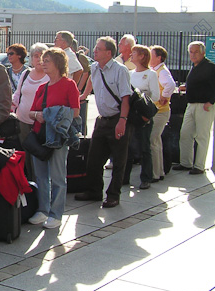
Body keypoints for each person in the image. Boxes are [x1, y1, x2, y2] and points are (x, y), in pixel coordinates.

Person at [75, 36, 133, 208]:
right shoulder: (94, 67)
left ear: (109, 52)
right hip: (102, 120)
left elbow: (125, 97)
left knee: (118, 161)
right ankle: (94, 191)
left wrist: (122, 121)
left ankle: (113, 195)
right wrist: (84, 95)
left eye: (98, 49)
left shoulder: (120, 70)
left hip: (117, 118)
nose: (95, 50)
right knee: (94, 159)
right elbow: (92, 81)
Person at [26, 48, 80, 229]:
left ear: (58, 63)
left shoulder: (69, 84)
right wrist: (38, 115)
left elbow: (75, 111)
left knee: (57, 177)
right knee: (41, 176)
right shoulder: (42, 88)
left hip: (58, 137)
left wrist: (50, 114)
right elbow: (31, 112)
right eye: (43, 60)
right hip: (40, 135)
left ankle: (56, 214)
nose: (43, 63)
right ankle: (43, 210)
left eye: (47, 60)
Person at [173, 41, 215, 174]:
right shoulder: (194, 67)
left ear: (203, 52)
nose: (193, 54)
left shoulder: (210, 67)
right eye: (191, 52)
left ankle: (199, 166)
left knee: (202, 136)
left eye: (196, 52)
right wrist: (186, 87)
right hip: (191, 104)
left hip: (204, 106)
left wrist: (211, 102)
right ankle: (186, 163)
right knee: (185, 134)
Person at [123, 44, 160, 190]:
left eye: (134, 53)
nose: (131, 55)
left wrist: (142, 94)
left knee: (144, 147)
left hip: (143, 114)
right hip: (131, 114)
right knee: (128, 148)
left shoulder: (150, 74)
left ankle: (146, 178)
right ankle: (125, 177)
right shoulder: (130, 73)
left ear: (142, 56)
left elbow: (156, 95)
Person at [12, 42, 49, 177]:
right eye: (35, 56)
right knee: (26, 155)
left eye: (42, 56)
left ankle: (40, 186)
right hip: (23, 121)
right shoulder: (26, 73)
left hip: (41, 124)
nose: (39, 59)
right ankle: (30, 186)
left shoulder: (50, 75)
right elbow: (17, 94)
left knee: (38, 156)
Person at [149, 45, 175, 182]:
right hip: (159, 111)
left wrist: (164, 96)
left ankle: (155, 173)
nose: (149, 57)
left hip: (160, 112)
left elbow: (171, 85)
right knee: (156, 142)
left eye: (151, 55)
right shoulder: (157, 70)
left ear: (159, 57)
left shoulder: (162, 71)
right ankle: (159, 172)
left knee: (153, 141)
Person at [72, 39, 91, 135]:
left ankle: (82, 135)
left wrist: (78, 89)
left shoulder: (80, 57)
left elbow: (85, 73)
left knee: (81, 117)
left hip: (80, 94)